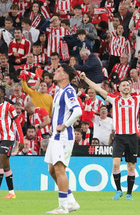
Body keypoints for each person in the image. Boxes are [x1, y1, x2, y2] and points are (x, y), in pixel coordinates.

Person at [80, 70, 140, 201]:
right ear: (119, 88)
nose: (126, 87)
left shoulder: (136, 98)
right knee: (115, 164)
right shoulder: (114, 99)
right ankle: (118, 190)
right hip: (119, 137)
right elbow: (97, 88)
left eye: (128, 85)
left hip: (132, 137)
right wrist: (85, 78)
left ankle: (129, 193)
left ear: (131, 87)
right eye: (123, 85)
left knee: (131, 166)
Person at [45, 64, 82, 214]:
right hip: (55, 136)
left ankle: (63, 206)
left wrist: (64, 125)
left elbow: (78, 111)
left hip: (64, 137)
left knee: (60, 169)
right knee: (52, 170)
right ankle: (71, 201)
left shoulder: (68, 91)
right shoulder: (59, 91)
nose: (56, 72)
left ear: (65, 76)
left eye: (59, 71)